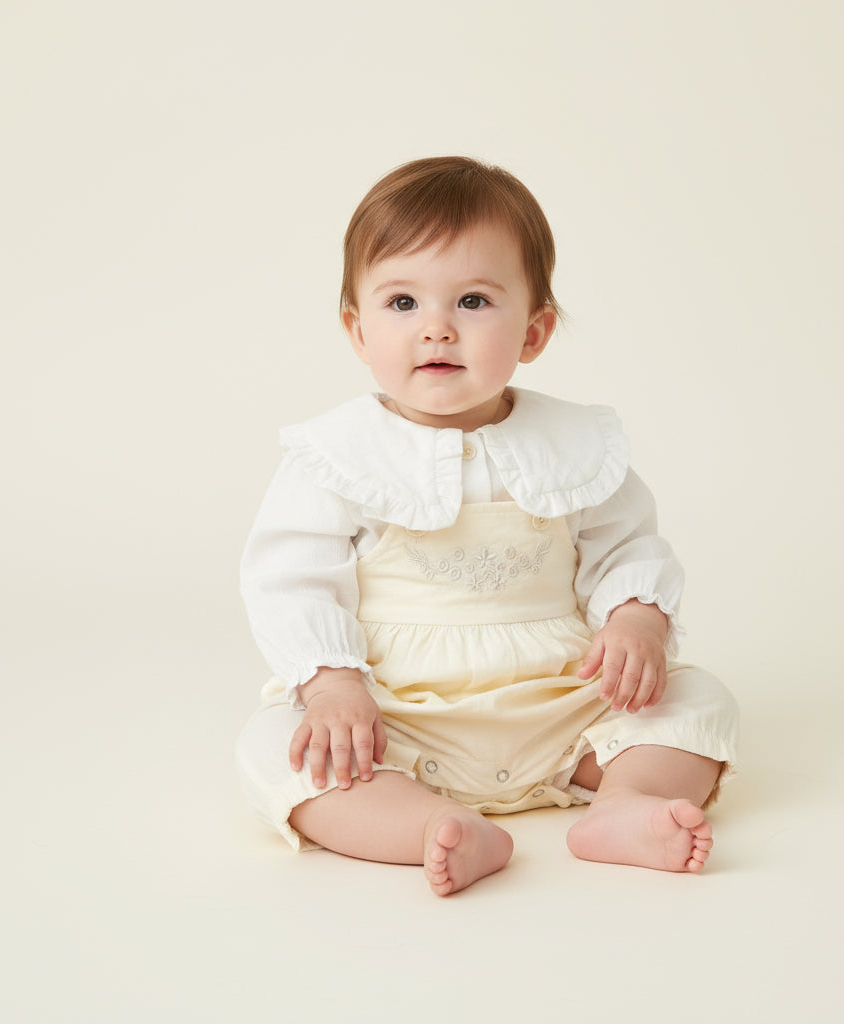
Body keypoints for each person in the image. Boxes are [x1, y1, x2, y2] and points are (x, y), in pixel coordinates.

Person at [236, 156, 739, 896]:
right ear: (356, 329)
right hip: (394, 717)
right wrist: (333, 687)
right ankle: (430, 827)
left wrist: (637, 620)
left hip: (564, 706)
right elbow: (289, 580)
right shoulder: (335, 458)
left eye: (472, 301)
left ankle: (623, 802)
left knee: (700, 701)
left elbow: (627, 544)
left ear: (534, 331)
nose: (436, 328)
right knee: (274, 747)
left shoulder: (575, 446)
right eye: (402, 303)